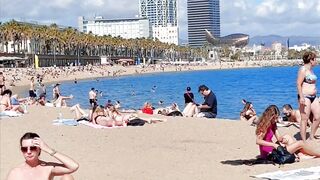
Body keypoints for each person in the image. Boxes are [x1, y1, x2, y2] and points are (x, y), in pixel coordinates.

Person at [255, 105, 320, 161]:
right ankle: (318, 154)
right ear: (270, 116)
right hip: (270, 154)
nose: (276, 120)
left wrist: (283, 140)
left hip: (273, 149)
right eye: (274, 118)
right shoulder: (264, 125)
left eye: (277, 118)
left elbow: (279, 139)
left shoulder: (273, 124)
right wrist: (273, 145)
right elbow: (258, 141)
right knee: (300, 143)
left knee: (287, 136)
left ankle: (300, 155)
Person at [6, 132, 79, 180]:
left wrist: (48, 149)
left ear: (39, 149)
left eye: (33, 148)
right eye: (24, 149)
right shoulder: (16, 172)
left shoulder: (47, 167)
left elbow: (74, 166)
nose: (28, 152)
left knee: (67, 177)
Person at [296, 51, 320, 141]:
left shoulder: (311, 70)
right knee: (304, 119)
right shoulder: (303, 69)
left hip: (314, 97)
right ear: (311, 60)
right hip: (305, 96)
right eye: (315, 59)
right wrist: (301, 97)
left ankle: (311, 136)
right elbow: (298, 84)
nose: (316, 61)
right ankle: (303, 140)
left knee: (318, 117)